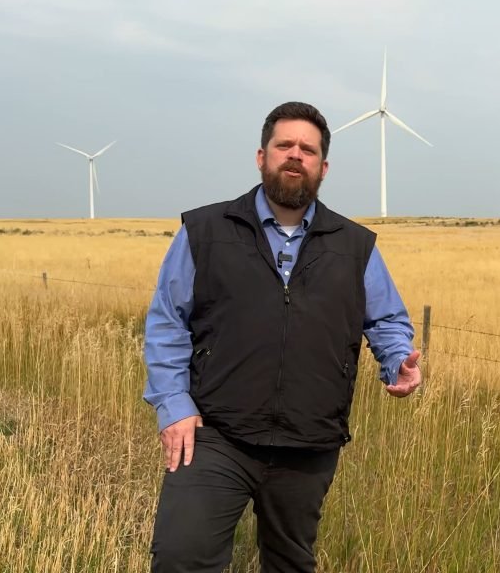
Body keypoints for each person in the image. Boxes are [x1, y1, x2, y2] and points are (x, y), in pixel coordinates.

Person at [142, 101, 422, 572]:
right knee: (180, 556)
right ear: (261, 156)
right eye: (284, 145)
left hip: (309, 442)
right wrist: (174, 406)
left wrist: (397, 362)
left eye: (308, 150)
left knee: (289, 563)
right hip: (214, 433)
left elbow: (387, 320)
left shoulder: (356, 246)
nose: (295, 155)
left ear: (323, 167)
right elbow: (168, 320)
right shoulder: (205, 231)